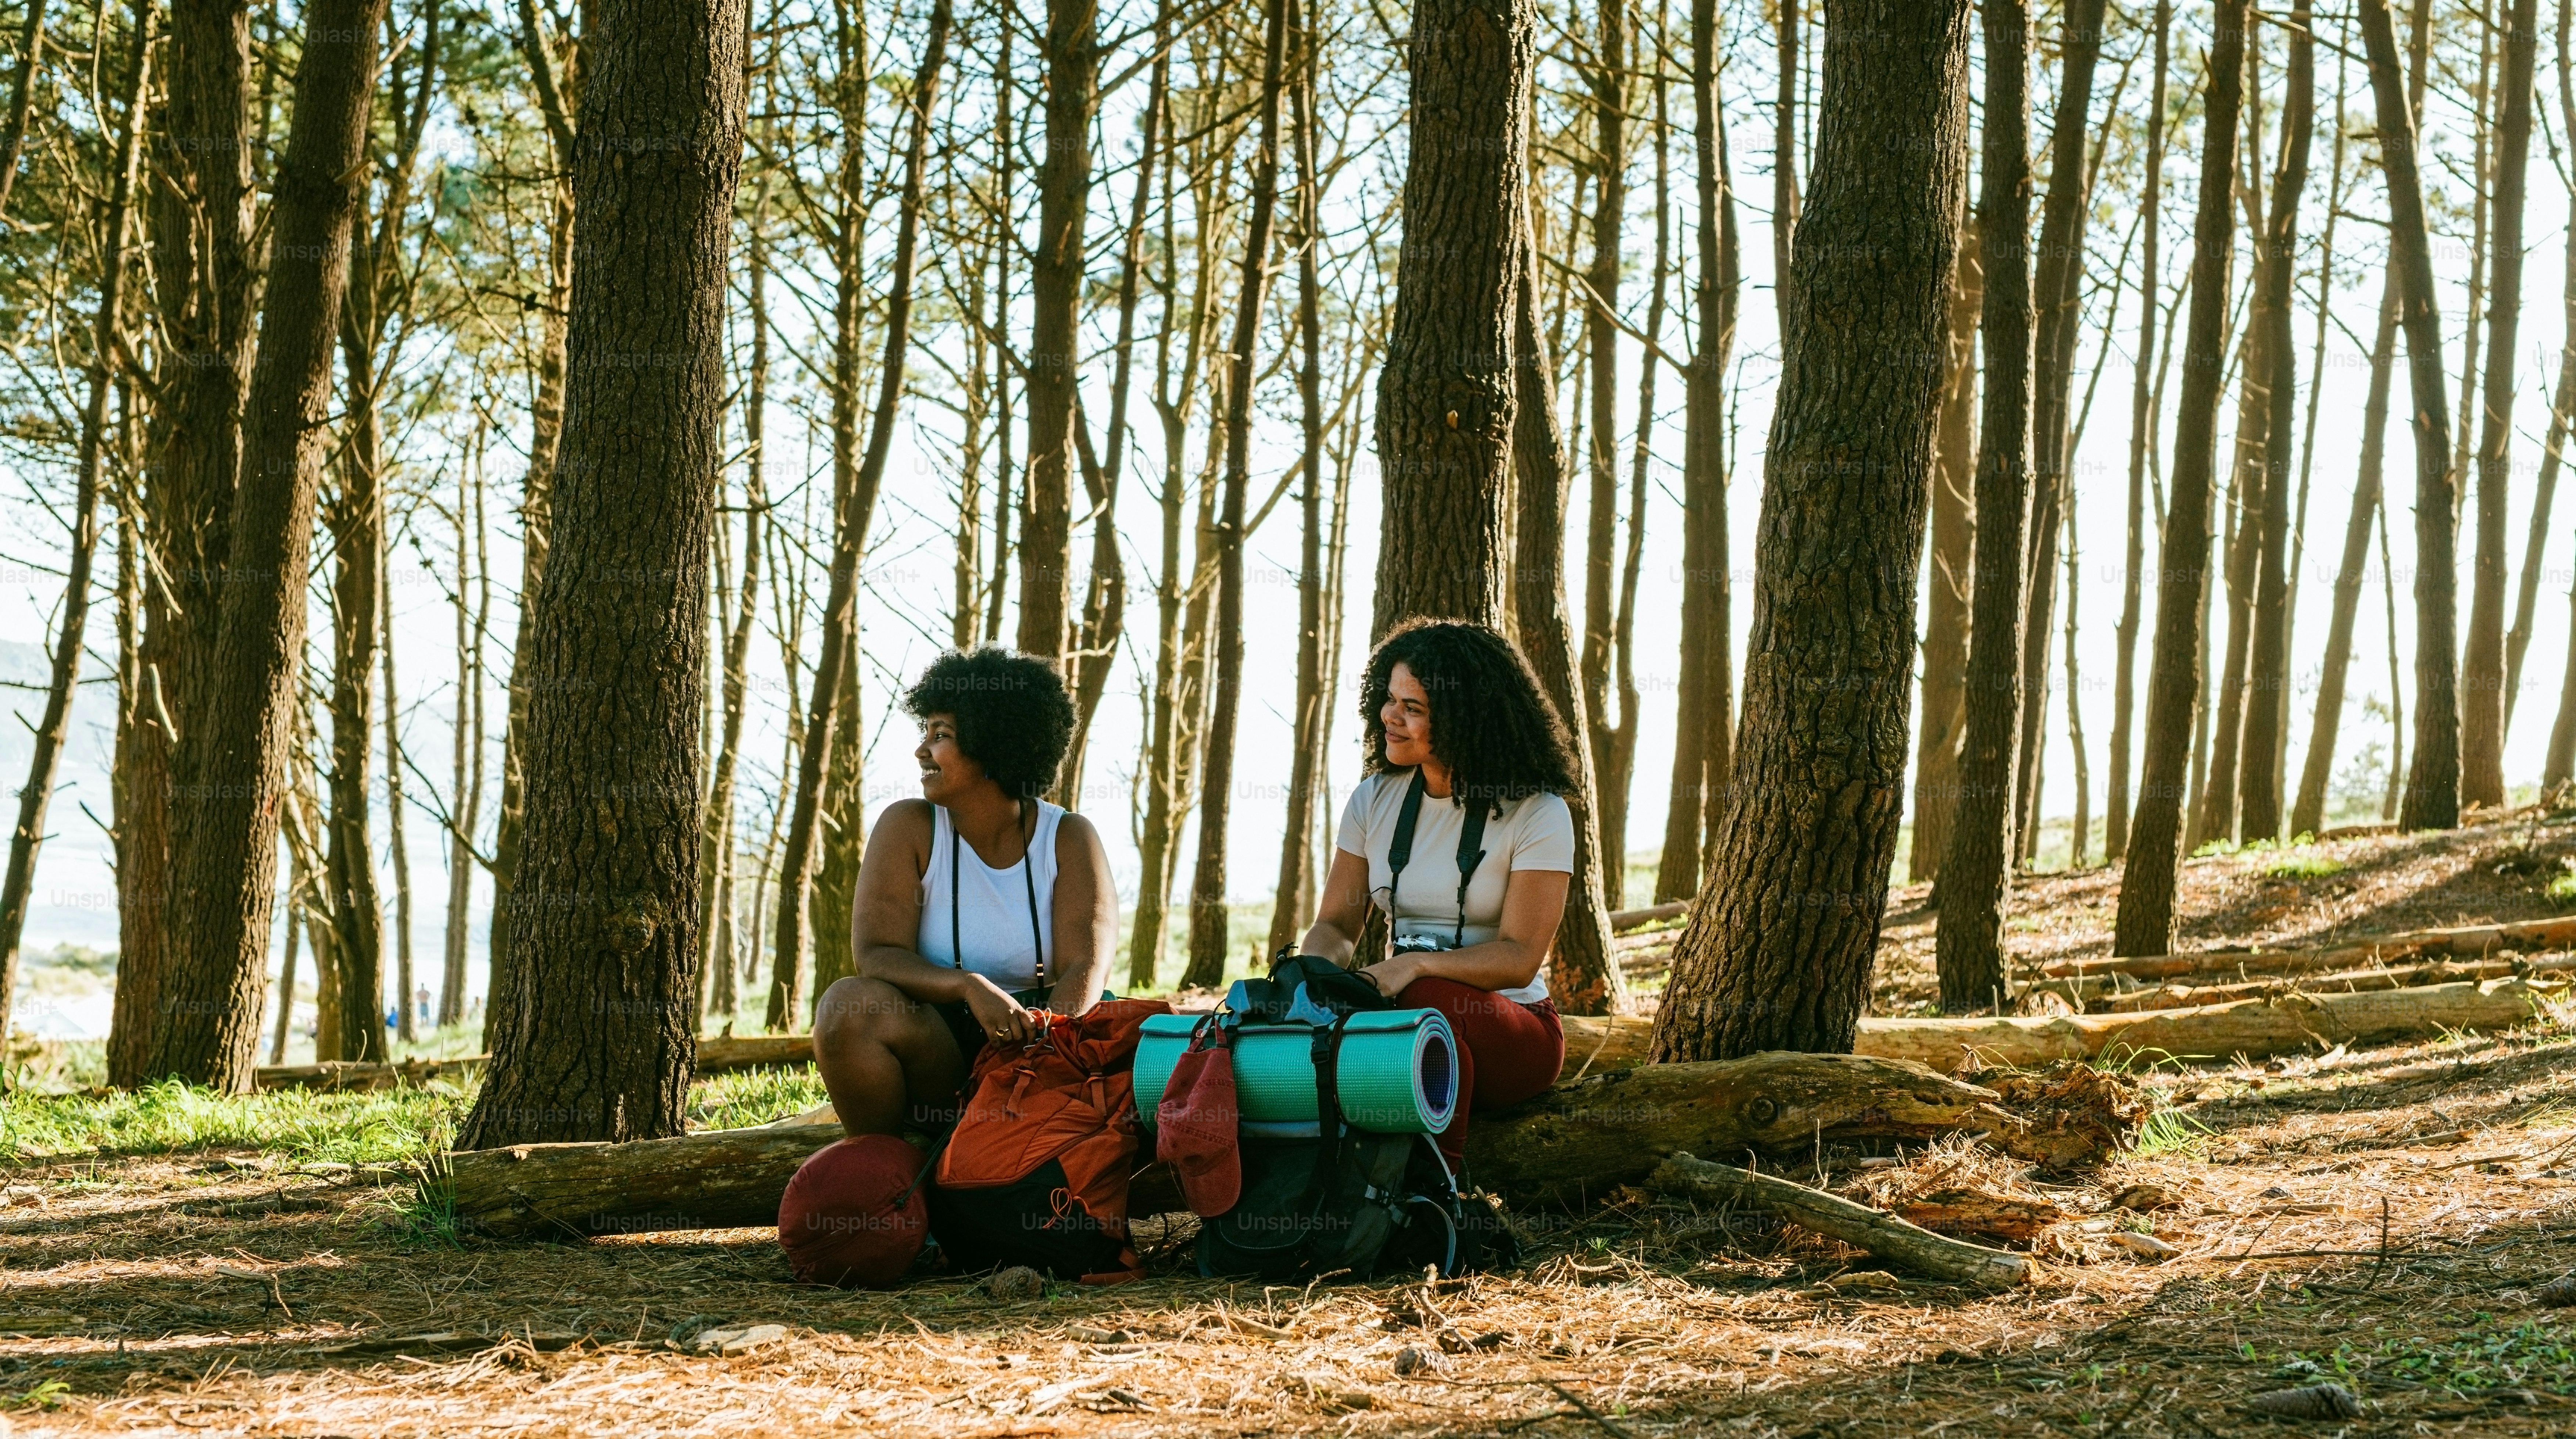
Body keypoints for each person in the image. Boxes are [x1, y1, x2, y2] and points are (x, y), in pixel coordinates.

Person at [1291, 617, 1573, 1172]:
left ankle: (1433, 1193)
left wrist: (1415, 966)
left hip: (1515, 1031)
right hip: (1405, 1016)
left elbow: (1520, 957)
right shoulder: (1373, 799)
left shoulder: (1540, 813)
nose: (1389, 717)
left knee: (1432, 1003)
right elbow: (1337, 927)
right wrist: (1313, 982)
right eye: (1389, 699)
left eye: (1412, 708)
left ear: (1466, 717)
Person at [812, 648, 1119, 1136]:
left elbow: (1085, 967)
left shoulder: (1069, 838)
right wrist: (967, 985)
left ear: (992, 745)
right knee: (845, 1008)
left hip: (1045, 1050)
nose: (922, 750)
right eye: (925, 732)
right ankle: (887, 1172)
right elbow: (875, 954)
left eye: (942, 735)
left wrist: (1037, 1046)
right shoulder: (907, 827)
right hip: (942, 1051)